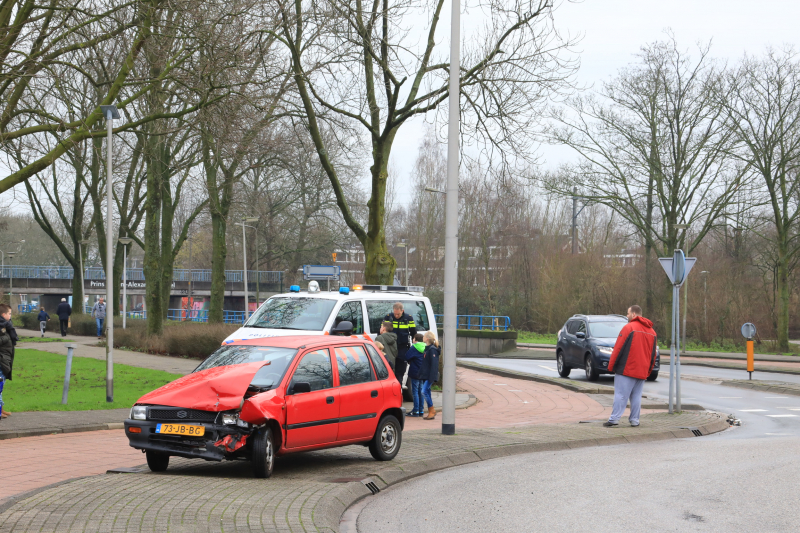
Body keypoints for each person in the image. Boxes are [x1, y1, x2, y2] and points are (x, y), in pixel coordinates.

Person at [604, 305, 658, 428]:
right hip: (642, 370)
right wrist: (648, 370)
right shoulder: (652, 332)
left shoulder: (629, 328)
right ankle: (635, 420)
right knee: (636, 396)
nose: (627, 316)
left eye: (628, 313)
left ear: (633, 314)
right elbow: (653, 355)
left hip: (627, 369)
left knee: (620, 394)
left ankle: (614, 419)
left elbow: (618, 348)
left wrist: (612, 366)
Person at [383, 303, 416, 387]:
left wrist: (414, 345)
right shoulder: (388, 317)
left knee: (400, 371)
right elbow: (382, 331)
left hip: (402, 347)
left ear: (402, 311)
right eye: (395, 313)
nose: (396, 315)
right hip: (390, 347)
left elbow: (413, 333)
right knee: (389, 367)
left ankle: (399, 388)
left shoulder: (408, 318)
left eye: (398, 314)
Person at [0, 303, 18, 419]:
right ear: (3, 314)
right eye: (9, 313)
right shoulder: (2, 327)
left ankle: (1, 407)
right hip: (1, 360)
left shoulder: (6, 326)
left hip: (5, 360)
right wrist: (6, 336)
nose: (11, 316)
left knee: (1, 387)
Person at [420, 331, 441, 420]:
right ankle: (431, 411)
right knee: (427, 391)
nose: (423, 337)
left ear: (427, 338)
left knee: (423, 391)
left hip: (429, 376)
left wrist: (432, 377)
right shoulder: (427, 348)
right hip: (426, 375)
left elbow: (434, 365)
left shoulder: (432, 350)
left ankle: (432, 410)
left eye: (424, 336)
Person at [405, 333, 426, 417]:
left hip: (415, 372)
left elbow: (407, 356)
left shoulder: (414, 347)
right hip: (423, 372)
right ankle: (421, 410)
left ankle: (415, 410)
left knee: (415, 392)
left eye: (413, 338)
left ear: (415, 339)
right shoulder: (426, 347)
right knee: (421, 391)